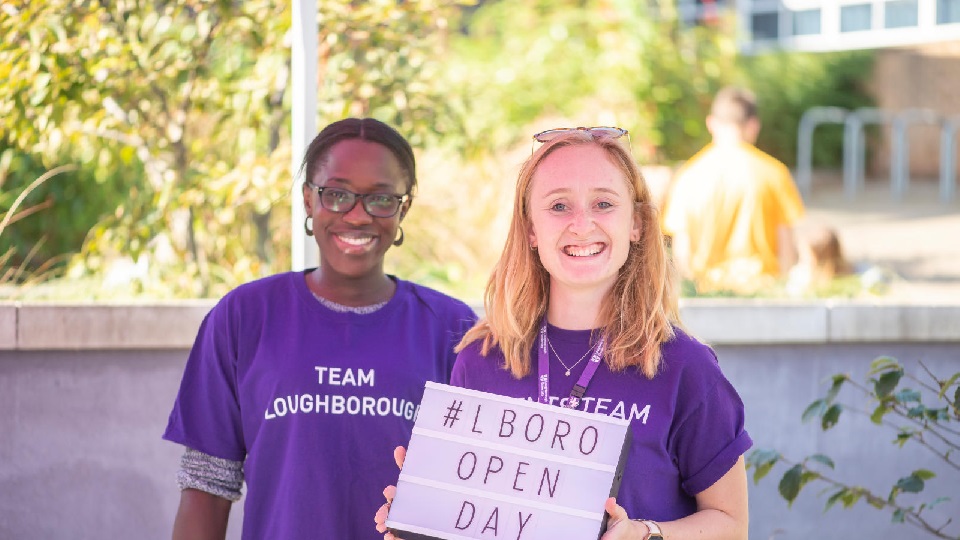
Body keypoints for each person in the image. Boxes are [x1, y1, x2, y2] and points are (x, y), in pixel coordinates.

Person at [376, 127, 751, 539]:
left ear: (637, 224)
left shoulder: (684, 367)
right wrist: (423, 522)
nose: (581, 224)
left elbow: (731, 524)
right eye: (558, 206)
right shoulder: (481, 360)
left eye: (604, 203)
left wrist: (647, 534)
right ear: (531, 229)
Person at [163, 117, 477, 539]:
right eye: (337, 195)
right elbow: (206, 486)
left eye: (380, 199)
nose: (357, 215)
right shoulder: (244, 317)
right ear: (309, 200)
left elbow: (477, 493)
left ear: (404, 208)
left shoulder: (451, 329)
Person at [662, 86, 805, 294]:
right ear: (753, 126)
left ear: (711, 123)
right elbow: (786, 250)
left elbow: (682, 251)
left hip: (707, 293)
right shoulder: (774, 173)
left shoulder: (689, 176)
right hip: (762, 292)